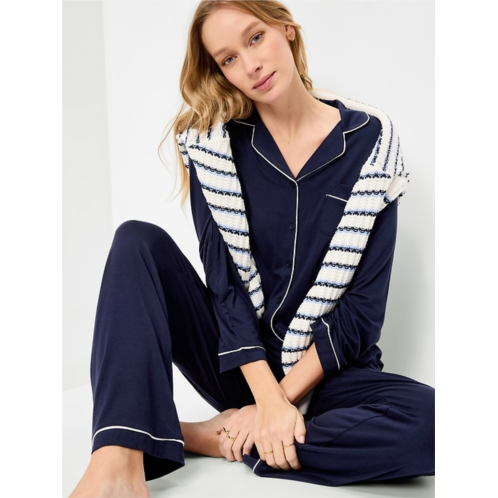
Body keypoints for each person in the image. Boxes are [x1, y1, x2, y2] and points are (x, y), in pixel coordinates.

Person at [68, 0, 435, 496]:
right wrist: (264, 397)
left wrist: (274, 405)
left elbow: (362, 313)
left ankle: (210, 436)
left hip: (328, 377)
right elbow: (226, 292)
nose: (250, 64)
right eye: (228, 59)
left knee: (429, 425)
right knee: (135, 241)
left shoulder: (372, 144)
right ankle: (116, 464)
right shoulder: (215, 148)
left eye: (255, 37)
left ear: (286, 30)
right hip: (241, 364)